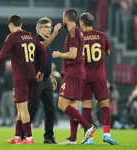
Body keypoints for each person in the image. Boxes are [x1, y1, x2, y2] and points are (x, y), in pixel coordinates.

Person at [0, 14, 47, 144]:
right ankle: (17, 136)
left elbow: (2, 55)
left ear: (10, 25)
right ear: (20, 24)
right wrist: (41, 70)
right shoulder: (32, 36)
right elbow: (44, 52)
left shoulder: (12, 37)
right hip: (31, 76)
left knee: (22, 108)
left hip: (20, 77)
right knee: (21, 107)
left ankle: (29, 138)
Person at [52, 8, 96, 145]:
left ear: (66, 18)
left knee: (61, 104)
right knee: (74, 107)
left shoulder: (72, 33)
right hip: (79, 73)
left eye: (62, 16)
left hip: (73, 73)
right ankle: (72, 138)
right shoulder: (79, 32)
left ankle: (88, 126)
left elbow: (72, 54)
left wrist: (58, 54)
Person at [21, 17, 62, 144]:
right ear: (39, 29)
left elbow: (46, 62)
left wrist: (52, 76)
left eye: (50, 27)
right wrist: (55, 33)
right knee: (32, 108)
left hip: (46, 80)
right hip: (37, 79)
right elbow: (42, 48)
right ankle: (22, 135)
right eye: (47, 27)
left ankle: (48, 137)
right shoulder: (35, 40)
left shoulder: (46, 41)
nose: (49, 29)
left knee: (50, 109)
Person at [79, 12, 118, 145]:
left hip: (84, 77)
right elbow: (107, 52)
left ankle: (89, 138)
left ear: (82, 23)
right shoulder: (102, 36)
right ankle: (106, 133)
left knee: (86, 107)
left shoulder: (78, 38)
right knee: (104, 105)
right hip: (99, 77)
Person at [0, 60, 16, 126]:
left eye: (8, 65)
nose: (6, 67)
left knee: (10, 107)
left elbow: (6, 82)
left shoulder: (10, 73)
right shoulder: (8, 72)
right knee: (4, 106)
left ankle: (12, 121)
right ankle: (5, 121)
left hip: (10, 91)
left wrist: (2, 81)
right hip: (7, 91)